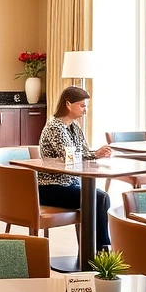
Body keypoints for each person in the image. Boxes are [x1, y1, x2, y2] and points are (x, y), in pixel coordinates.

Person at [38, 86, 113, 248]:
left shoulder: (74, 127)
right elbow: (70, 157)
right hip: (51, 188)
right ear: (68, 104)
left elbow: (84, 152)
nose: (85, 110)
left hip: (70, 185)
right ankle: (101, 250)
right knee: (100, 198)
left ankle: (98, 249)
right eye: (82, 105)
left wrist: (96, 153)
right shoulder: (54, 128)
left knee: (100, 197)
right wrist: (94, 155)